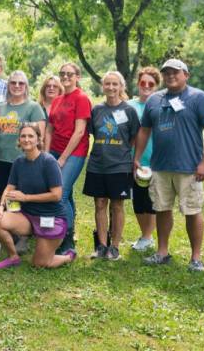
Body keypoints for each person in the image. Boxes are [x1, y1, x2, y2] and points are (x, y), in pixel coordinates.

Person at [134, 59, 204, 272]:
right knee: (162, 208)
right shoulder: (155, 99)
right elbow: (144, 130)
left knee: (192, 210)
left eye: (176, 72)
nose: (171, 75)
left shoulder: (199, 98)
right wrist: (137, 156)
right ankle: (162, 252)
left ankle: (196, 258)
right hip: (160, 167)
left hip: (189, 167)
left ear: (186, 75)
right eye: (167, 72)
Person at [0, 124, 76, 269]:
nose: (26, 139)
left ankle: (68, 256)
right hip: (28, 216)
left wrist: (26, 198)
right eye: (23, 136)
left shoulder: (48, 162)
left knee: (40, 263)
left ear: (38, 140)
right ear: (19, 140)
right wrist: (0, 207)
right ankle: (13, 257)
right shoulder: (19, 162)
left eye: (31, 136)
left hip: (51, 218)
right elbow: (9, 187)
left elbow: (57, 195)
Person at [83, 71, 140, 260]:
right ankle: (101, 246)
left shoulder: (129, 111)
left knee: (117, 205)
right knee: (99, 204)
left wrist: (123, 152)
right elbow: (92, 134)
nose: (111, 88)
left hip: (120, 166)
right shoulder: (97, 110)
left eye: (115, 84)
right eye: (107, 84)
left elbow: (134, 137)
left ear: (121, 87)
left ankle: (114, 247)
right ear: (103, 86)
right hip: (97, 164)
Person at [0, 71, 46, 254]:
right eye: (13, 83)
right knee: (0, 194)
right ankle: (5, 230)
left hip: (24, 160)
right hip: (1, 157)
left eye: (21, 83)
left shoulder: (33, 107)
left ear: (26, 86)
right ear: (8, 85)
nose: (17, 86)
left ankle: (22, 236)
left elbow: (41, 136)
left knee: (20, 197)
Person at [44, 62, 92, 254]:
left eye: (69, 74)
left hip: (74, 153)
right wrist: (47, 154)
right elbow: (49, 128)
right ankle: (69, 230)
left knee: (60, 195)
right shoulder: (57, 99)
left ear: (77, 76)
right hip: (54, 150)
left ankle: (67, 238)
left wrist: (63, 158)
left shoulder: (81, 98)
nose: (65, 77)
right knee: (68, 193)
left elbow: (80, 131)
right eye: (62, 73)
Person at [127, 67, 160, 251]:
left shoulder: (160, 105)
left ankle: (148, 237)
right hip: (133, 161)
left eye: (151, 84)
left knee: (152, 201)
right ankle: (144, 235)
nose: (146, 86)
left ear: (156, 86)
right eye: (143, 83)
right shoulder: (130, 106)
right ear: (138, 84)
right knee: (138, 201)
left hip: (155, 160)